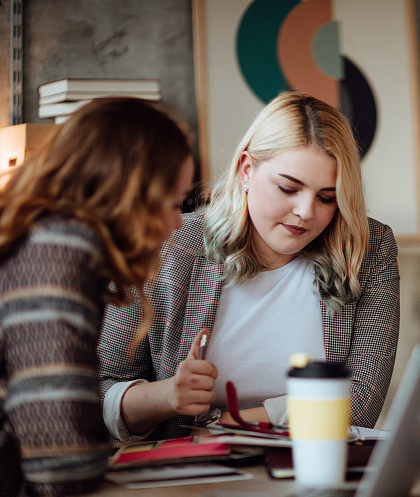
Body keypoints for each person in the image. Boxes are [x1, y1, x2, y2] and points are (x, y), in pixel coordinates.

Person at [98, 91, 400, 442]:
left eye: (326, 197)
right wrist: (166, 396)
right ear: (246, 170)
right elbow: (101, 388)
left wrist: (233, 423)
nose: (306, 211)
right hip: (185, 477)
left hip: (313, 466)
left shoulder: (368, 247)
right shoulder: (171, 245)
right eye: (289, 188)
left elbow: (360, 400)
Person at [0, 98, 193, 497]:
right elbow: (59, 459)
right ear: (131, 194)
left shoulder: (39, 236)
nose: (178, 223)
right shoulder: (57, 255)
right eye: (174, 203)